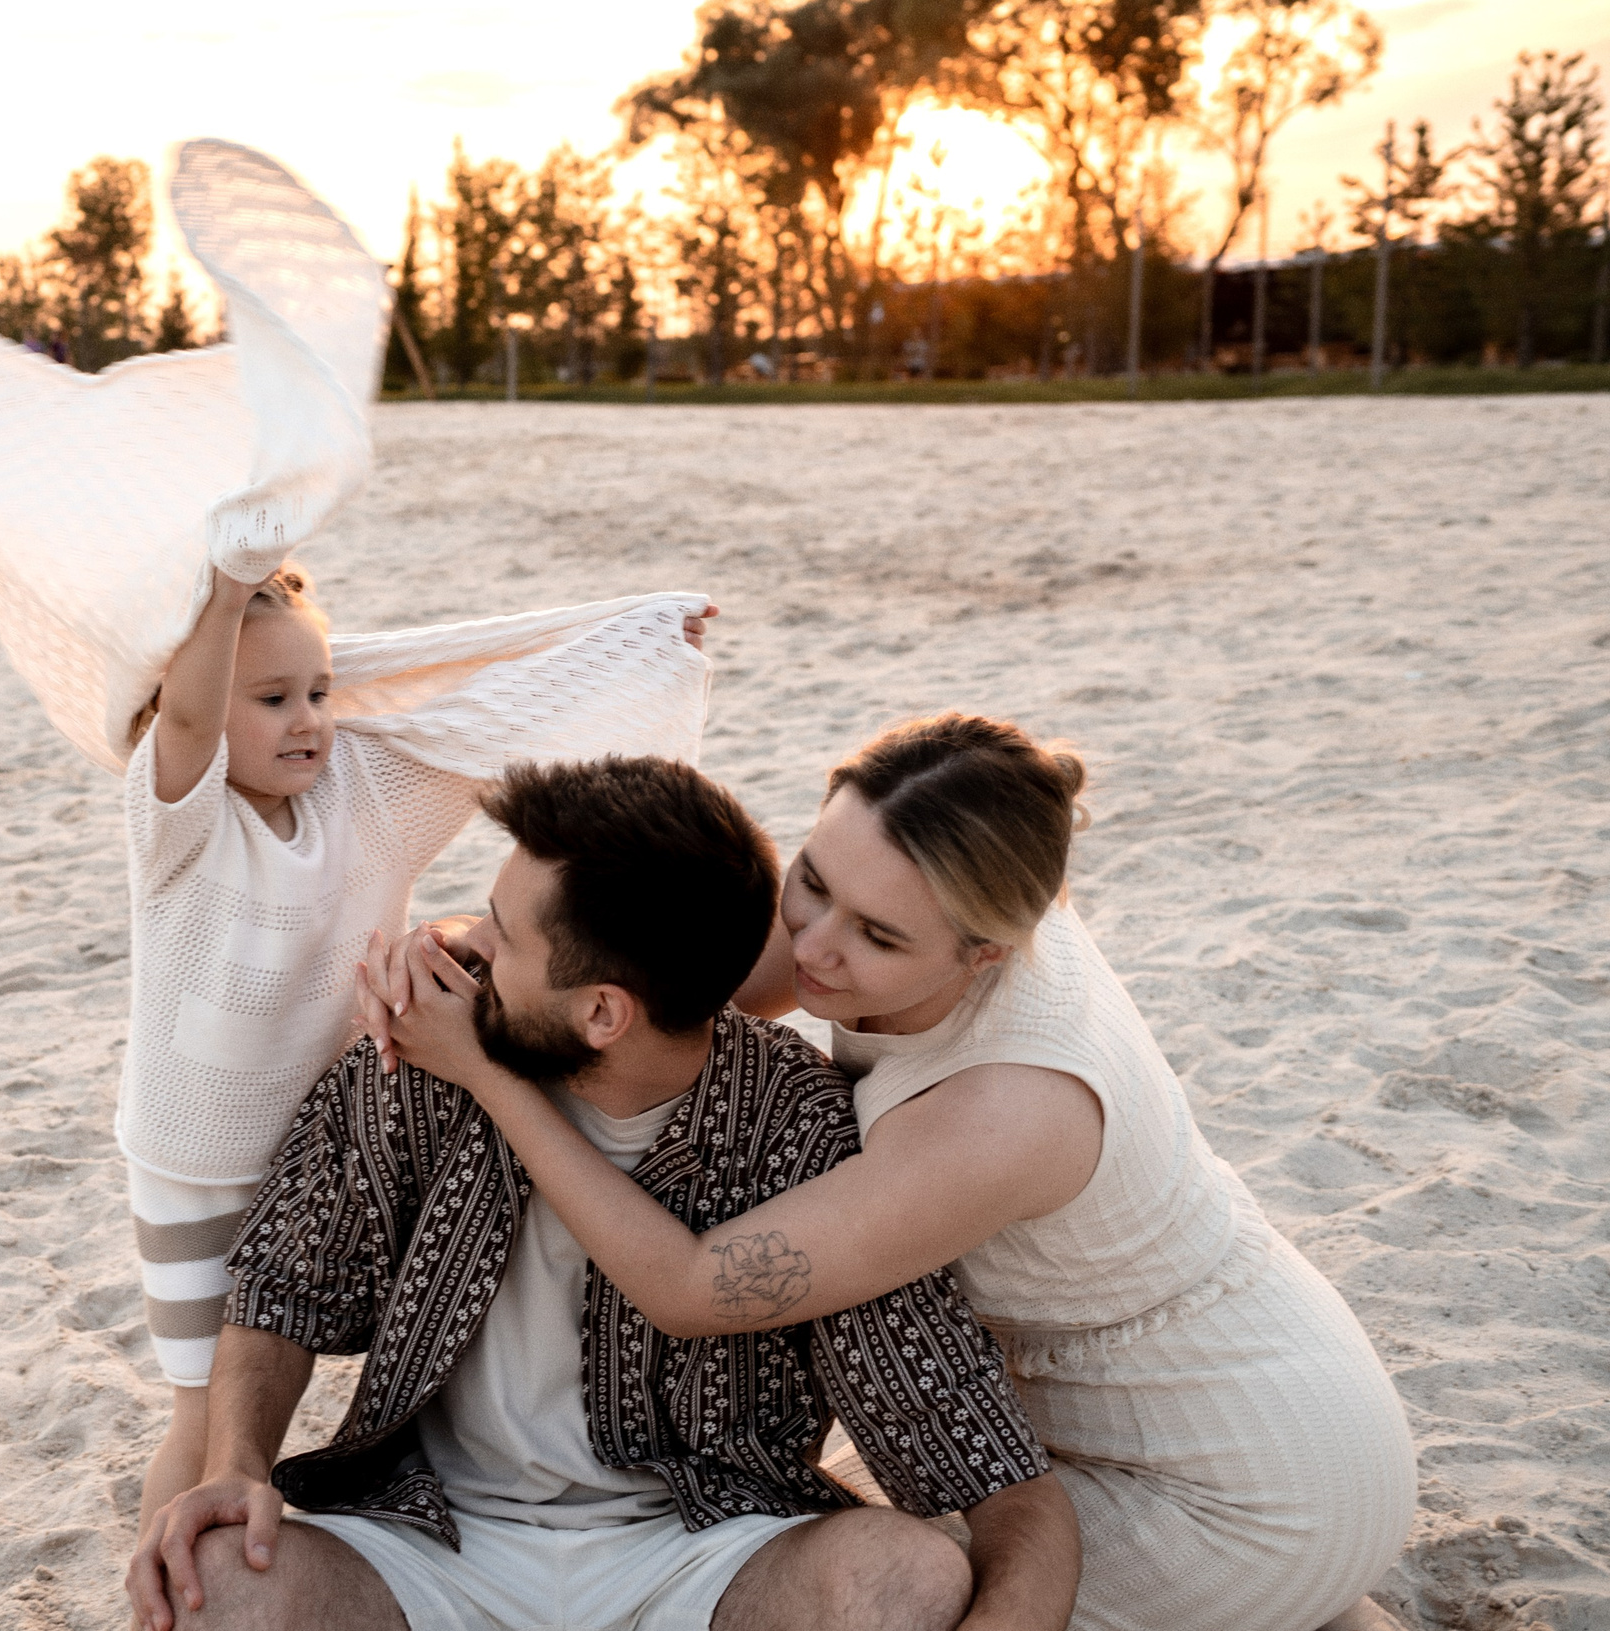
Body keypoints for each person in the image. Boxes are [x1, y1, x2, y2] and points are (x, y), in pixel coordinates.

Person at [365, 714, 1415, 1631]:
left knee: (906, 1585)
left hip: (1239, 1489)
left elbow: (692, 1289)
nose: (812, 946)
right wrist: (487, 941)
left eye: (872, 935)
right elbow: (689, 973)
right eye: (811, 879)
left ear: (985, 954)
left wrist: (491, 1077)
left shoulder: (1004, 1107)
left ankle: (1295, 1598)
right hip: (1163, 1398)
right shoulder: (938, 881)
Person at [130, 755, 1079, 1631]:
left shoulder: (801, 1130)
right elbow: (284, 1289)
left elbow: (981, 1457)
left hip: (702, 1549)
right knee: (213, 1583)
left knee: (906, 1575)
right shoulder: (417, 1058)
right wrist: (236, 1464)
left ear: (601, 1011)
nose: (464, 948)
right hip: (434, 1539)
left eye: (501, 937)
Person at [120, 563, 715, 1537]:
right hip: (196, 1174)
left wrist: (640, 652)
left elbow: (497, 727)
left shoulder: (365, 789)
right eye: (271, 699)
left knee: (286, 1388)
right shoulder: (182, 823)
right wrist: (223, 596)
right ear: (187, 709)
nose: (308, 718)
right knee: (211, 1422)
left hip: (332, 1159)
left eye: (319, 689)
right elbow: (186, 726)